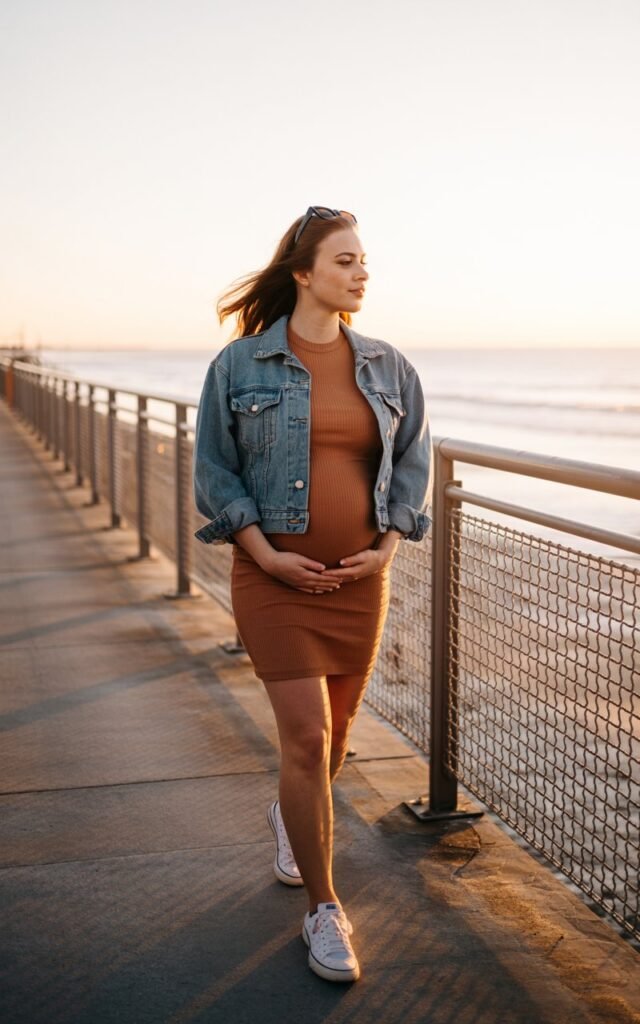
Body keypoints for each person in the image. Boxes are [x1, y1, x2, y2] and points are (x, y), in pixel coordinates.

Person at [193, 206, 433, 983]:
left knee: (330, 745)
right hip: (274, 583)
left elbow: (412, 469)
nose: (361, 273)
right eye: (345, 262)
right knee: (303, 738)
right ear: (304, 274)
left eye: (364, 262)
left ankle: (290, 817)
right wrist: (265, 555)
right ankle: (324, 911)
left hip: (360, 585)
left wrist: (383, 550)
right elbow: (216, 473)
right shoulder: (240, 366)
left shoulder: (390, 367)